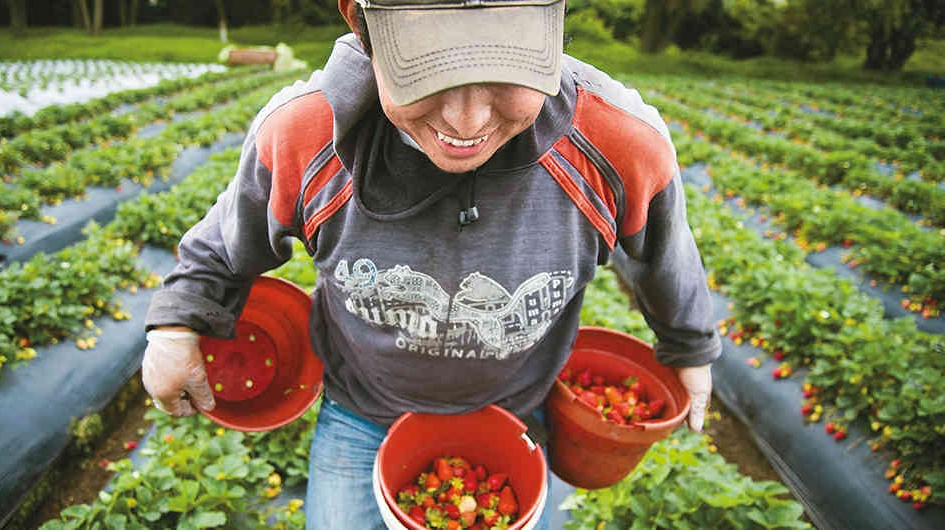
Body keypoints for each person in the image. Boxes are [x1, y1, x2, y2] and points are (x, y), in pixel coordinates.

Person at [141, 0, 721, 527]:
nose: (467, 123)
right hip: (360, 415)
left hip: (516, 417)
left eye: (504, 70)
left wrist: (690, 348)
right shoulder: (303, 136)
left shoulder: (616, 144)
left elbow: (664, 252)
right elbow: (224, 244)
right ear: (362, 28)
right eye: (426, 72)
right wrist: (174, 326)